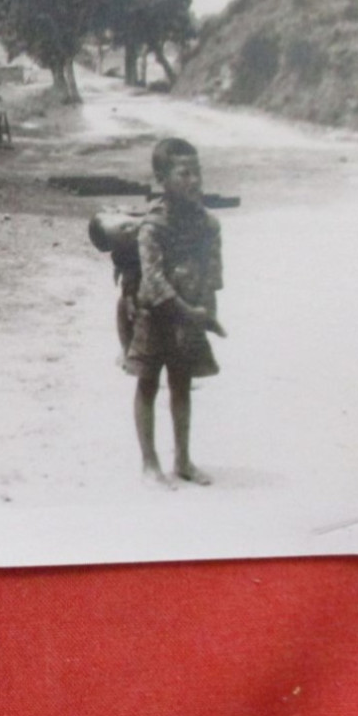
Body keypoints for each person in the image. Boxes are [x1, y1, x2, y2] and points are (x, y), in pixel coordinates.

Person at [121, 137, 225, 487]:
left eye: (197, 173)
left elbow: (212, 273)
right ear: (162, 179)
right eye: (184, 173)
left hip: (189, 316)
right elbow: (153, 282)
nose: (194, 181)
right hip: (154, 316)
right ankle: (150, 464)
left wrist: (207, 311)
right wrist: (189, 311)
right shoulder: (153, 227)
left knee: (182, 383)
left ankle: (182, 459)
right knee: (148, 383)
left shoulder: (207, 224)